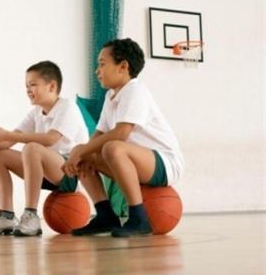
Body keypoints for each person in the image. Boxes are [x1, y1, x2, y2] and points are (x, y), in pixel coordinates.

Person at [65, 38, 184, 237]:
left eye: (102, 64)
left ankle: (139, 218)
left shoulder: (135, 90)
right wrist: (78, 153)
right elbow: (98, 135)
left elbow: (121, 133)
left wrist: (80, 151)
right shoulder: (111, 96)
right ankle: (105, 215)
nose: (97, 70)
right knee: (86, 154)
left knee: (112, 147)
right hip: (136, 161)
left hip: (166, 163)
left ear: (123, 66)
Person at [0, 61, 89, 236]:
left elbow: (50, 139)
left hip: (70, 172)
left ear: (51, 86)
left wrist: (9, 135)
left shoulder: (67, 107)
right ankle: (6, 216)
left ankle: (31, 215)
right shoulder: (36, 112)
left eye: (33, 84)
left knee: (32, 148)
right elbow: (8, 142)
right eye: (26, 85)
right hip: (45, 172)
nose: (28, 89)